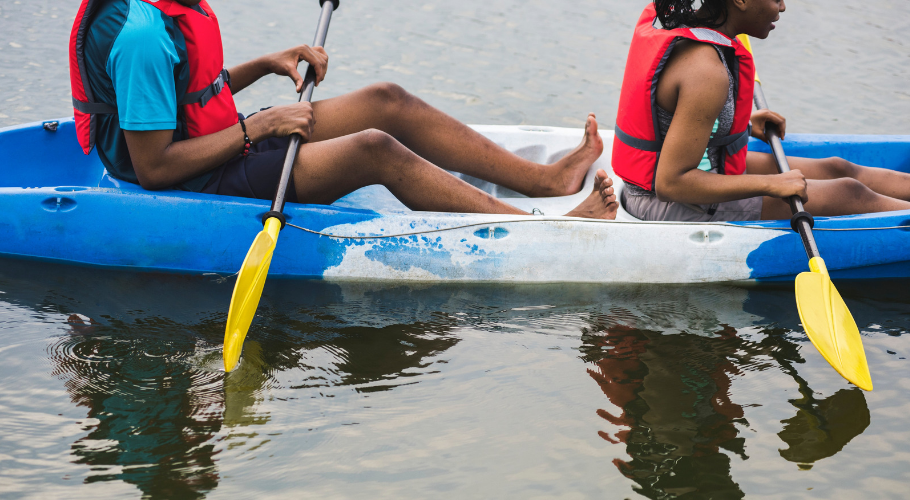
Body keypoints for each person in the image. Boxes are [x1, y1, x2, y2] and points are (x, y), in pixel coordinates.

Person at [69, 0, 618, 220]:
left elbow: (192, 97)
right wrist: (260, 125)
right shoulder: (141, 36)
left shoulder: (169, 11)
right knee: (373, 149)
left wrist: (264, 63)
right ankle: (538, 229)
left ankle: (545, 180)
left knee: (387, 101)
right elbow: (156, 168)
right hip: (193, 177)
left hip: (219, 141)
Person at [612, 0, 910, 222]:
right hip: (668, 204)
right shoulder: (705, 70)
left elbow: (677, 118)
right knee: (848, 193)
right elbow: (671, 183)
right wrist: (771, 184)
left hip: (696, 175)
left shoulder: (690, 28)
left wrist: (738, 125)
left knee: (838, 169)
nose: (782, 6)